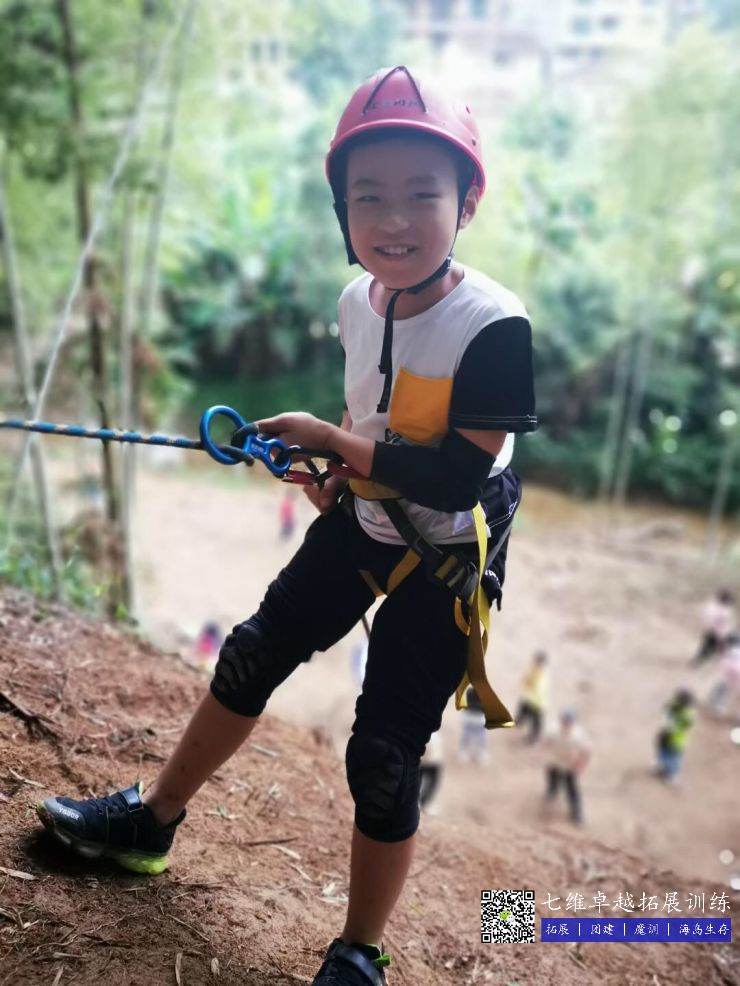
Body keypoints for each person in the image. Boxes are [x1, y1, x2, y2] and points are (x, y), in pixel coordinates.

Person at [35, 66, 536, 986]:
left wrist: (334, 443)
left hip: (448, 557)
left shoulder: (496, 326)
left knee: (382, 755)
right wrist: (336, 472)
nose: (392, 218)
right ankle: (151, 820)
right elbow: (377, 418)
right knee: (251, 655)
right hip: (367, 517)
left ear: (466, 201)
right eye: (367, 196)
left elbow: (459, 472)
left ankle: (359, 952)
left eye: (421, 194)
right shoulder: (355, 302)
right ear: (342, 209)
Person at [543, 708, 591, 825]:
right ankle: (552, 792)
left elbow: (586, 751)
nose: (566, 724)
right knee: (552, 777)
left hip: (570, 766)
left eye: (569, 722)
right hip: (555, 761)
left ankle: (576, 813)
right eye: (565, 721)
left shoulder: (578, 735)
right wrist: (544, 752)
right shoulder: (554, 730)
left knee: (572, 790)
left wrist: (580, 765)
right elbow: (545, 742)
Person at [655, 688, 696, 782]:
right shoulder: (676, 707)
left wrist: (667, 728)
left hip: (677, 741)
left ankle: (673, 774)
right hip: (668, 737)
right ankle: (663, 767)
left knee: (673, 758)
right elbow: (666, 710)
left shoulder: (687, 715)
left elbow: (680, 727)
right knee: (663, 752)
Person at [692, 589, 735, 666]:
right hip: (715, 632)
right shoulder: (720, 609)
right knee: (711, 648)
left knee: (710, 648)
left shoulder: (713, 606)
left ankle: (698, 662)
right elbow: (719, 621)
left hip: (712, 631)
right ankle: (698, 662)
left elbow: (707, 618)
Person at [516, 650, 549, 744]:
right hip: (529, 700)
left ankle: (533, 739)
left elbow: (540, 690)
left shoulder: (543, 676)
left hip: (538, 704)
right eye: (535, 660)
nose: (535, 662)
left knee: (536, 723)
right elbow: (525, 679)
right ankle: (519, 722)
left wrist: (528, 686)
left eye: (537, 661)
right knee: (522, 711)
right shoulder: (532, 669)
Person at [458, 684, 489, 765]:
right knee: (468, 736)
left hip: (477, 718)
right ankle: (465, 752)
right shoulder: (470, 692)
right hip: (472, 717)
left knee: (480, 737)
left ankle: (480, 753)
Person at [418, 729, 444, 814]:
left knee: (424, 784)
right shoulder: (434, 735)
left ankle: (422, 803)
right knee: (429, 784)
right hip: (429, 762)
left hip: (426, 762)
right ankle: (422, 804)